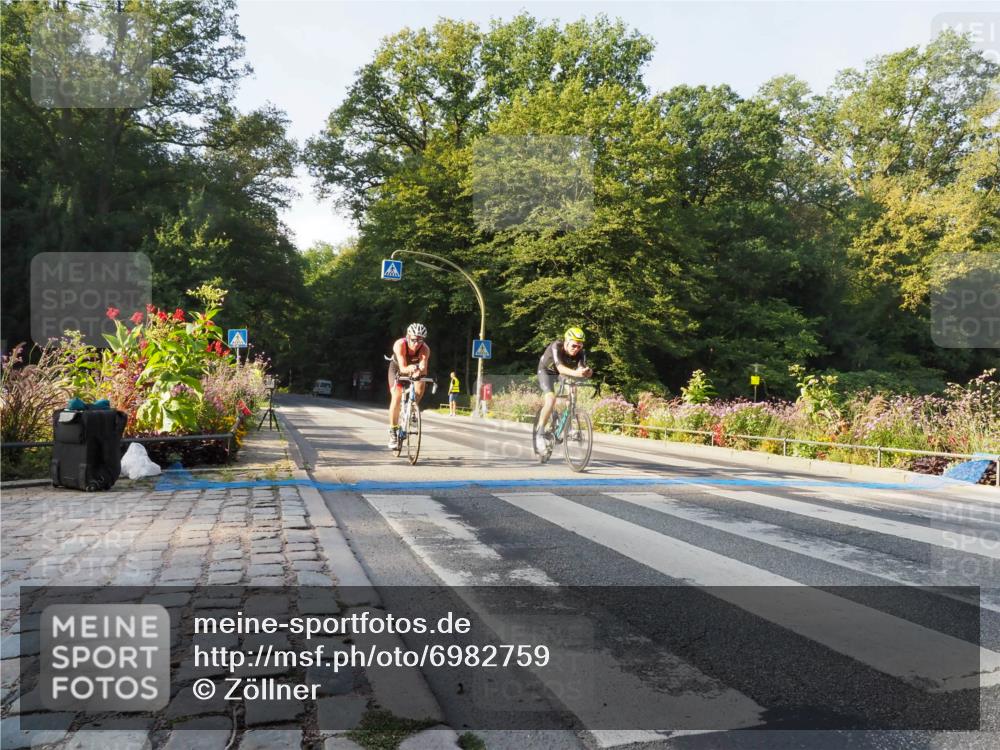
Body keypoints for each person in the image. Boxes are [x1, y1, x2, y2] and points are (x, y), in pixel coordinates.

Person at [536, 327, 592, 452]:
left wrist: (588, 372)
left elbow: (581, 368)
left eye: (579, 346)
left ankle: (569, 426)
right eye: (574, 345)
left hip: (562, 374)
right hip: (546, 372)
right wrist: (577, 373)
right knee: (551, 399)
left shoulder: (581, 353)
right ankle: (540, 434)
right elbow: (560, 368)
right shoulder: (556, 346)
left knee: (573, 391)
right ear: (566, 342)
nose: (576, 349)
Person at [388, 323, 431, 448]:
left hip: (414, 370)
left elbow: (423, 368)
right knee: (396, 397)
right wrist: (411, 368)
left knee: (421, 384)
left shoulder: (425, 349)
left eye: (420, 340)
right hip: (397, 370)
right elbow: (402, 367)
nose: (417, 343)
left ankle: (412, 407)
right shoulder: (400, 344)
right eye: (413, 340)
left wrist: (419, 370)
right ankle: (393, 431)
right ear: (407, 337)